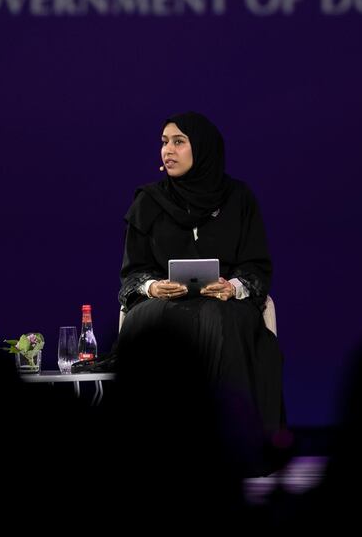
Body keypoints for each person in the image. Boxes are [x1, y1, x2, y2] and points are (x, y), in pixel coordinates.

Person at [118, 111, 284, 474]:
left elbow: (256, 266)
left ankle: (227, 448)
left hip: (222, 302)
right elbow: (132, 273)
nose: (168, 151)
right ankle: (154, 453)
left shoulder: (239, 198)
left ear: (204, 149)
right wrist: (152, 286)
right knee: (152, 321)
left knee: (218, 318)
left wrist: (233, 287)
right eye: (164, 142)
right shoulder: (148, 201)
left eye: (178, 142)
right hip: (164, 303)